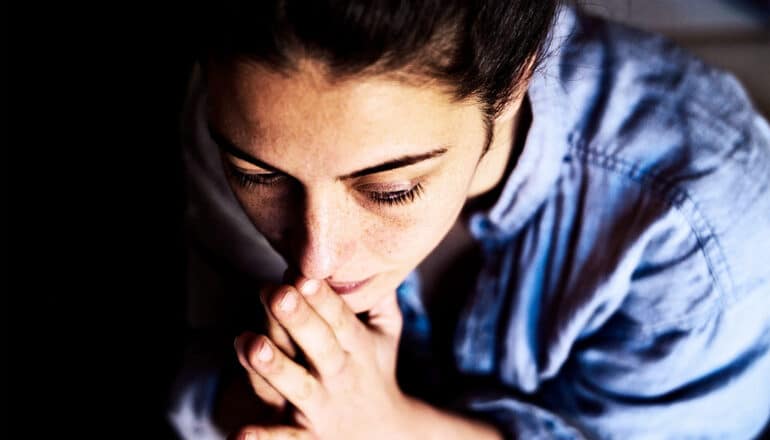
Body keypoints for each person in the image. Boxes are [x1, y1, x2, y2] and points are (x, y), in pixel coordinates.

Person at [167, 1, 770, 438]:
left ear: (511, 85)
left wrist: (386, 428)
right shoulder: (234, 112)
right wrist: (273, 403)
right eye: (258, 176)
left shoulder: (699, 219)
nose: (313, 259)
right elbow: (196, 371)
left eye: (392, 189)